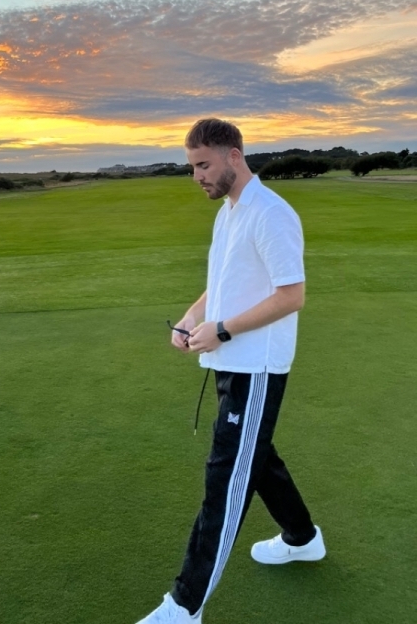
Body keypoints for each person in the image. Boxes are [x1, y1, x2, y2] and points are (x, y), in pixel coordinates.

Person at [135, 118, 325, 624]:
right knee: (256, 457)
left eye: (203, 164)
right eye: (191, 167)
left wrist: (222, 330)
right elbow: (223, 280)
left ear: (234, 156)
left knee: (226, 478)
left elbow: (292, 296)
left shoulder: (270, 212)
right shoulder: (229, 211)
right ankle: (303, 538)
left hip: (256, 365)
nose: (196, 176)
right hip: (232, 361)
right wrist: (192, 317)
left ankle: (184, 606)